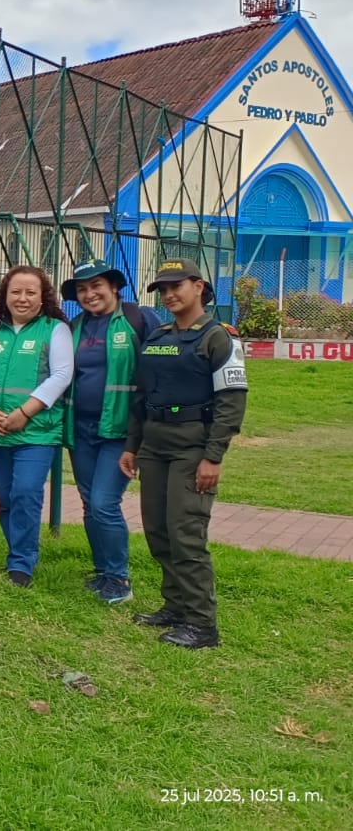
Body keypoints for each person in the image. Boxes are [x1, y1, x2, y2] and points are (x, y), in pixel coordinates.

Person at [121, 259, 248, 649]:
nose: (170, 294)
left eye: (177, 285)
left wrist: (214, 457)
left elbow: (231, 401)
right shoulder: (157, 337)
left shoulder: (219, 337)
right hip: (155, 445)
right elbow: (143, 396)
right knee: (159, 531)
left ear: (199, 286)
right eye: (163, 289)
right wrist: (132, 446)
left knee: (186, 535)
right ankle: (174, 607)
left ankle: (202, 624)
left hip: (193, 449)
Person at [0, 266, 74, 588]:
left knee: (26, 492)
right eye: (16, 292)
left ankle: (21, 564)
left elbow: (61, 375)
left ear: (43, 299)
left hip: (36, 432)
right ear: (5, 296)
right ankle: (17, 551)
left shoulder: (55, 330)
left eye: (30, 292)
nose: (22, 298)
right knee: (7, 498)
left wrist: (25, 413)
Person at [63, 258, 162, 606]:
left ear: (114, 287)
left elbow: (161, 368)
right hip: (81, 429)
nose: (90, 294)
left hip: (122, 430)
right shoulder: (74, 326)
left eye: (97, 286)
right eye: (82, 289)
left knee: (105, 503)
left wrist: (146, 431)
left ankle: (120, 578)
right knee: (90, 503)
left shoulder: (139, 319)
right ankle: (103, 571)